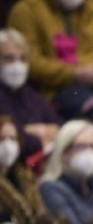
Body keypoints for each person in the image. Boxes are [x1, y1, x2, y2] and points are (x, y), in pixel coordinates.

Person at [7, 0, 93, 118]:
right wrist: (75, 73)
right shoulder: (27, 10)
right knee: (91, 106)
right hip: (53, 89)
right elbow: (30, 61)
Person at [0, 29, 61, 159]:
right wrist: (44, 134)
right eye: (9, 59)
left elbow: (60, 128)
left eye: (23, 59)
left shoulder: (30, 94)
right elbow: (18, 140)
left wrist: (29, 130)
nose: (17, 65)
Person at [0, 116, 46, 224]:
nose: (7, 145)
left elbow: (41, 215)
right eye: (1, 139)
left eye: (12, 139)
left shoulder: (25, 175)